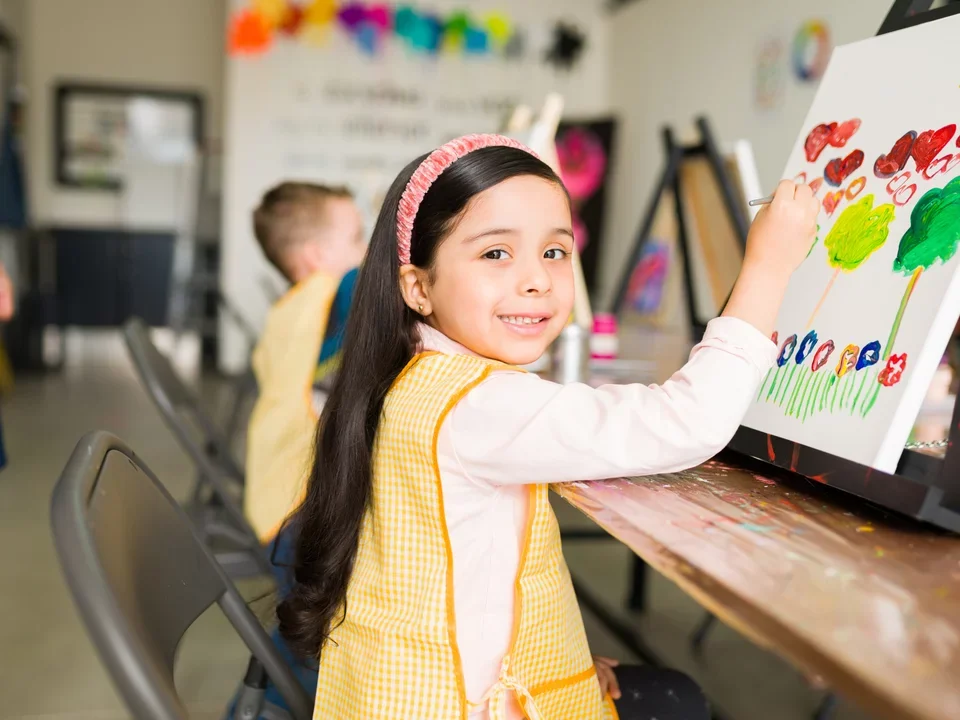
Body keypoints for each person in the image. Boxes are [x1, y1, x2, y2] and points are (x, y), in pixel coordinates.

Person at [277, 134, 819, 719]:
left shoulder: (409, 374)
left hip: (395, 690)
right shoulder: (480, 404)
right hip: (456, 704)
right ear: (419, 287)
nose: (536, 279)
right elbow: (687, 422)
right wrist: (767, 266)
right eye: (495, 254)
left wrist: (557, 660)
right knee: (678, 701)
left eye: (555, 252)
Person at [245, 181, 365, 547]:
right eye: (358, 238)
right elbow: (360, 281)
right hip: (301, 516)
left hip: (271, 495)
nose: (367, 250)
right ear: (315, 257)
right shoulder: (328, 290)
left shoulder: (289, 312)